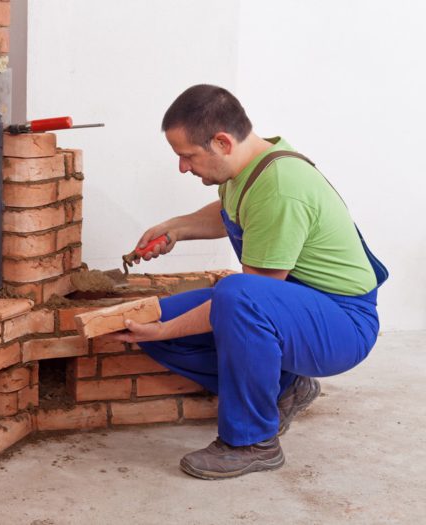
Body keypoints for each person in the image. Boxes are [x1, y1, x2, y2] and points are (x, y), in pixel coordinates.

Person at [110, 84, 388, 480]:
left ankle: (252, 442)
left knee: (230, 298)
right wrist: (176, 228)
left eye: (188, 156)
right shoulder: (249, 167)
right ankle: (285, 388)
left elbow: (249, 300)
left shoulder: (281, 188)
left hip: (343, 323)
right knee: (148, 321)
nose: (183, 168)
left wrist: (162, 330)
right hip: (300, 307)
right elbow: (232, 210)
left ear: (222, 141)